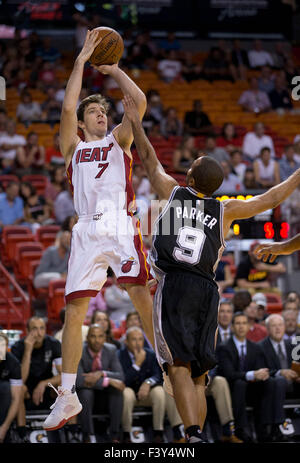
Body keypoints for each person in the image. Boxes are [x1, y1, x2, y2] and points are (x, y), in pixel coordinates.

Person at [122, 93, 300, 443]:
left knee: (178, 368)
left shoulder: (171, 191)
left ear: (189, 175)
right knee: (200, 375)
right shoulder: (225, 210)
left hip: (175, 285)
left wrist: (136, 124)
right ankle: (198, 435)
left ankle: (191, 435)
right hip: (208, 290)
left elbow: (147, 157)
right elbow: (271, 198)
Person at [42, 30, 155, 432]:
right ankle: (68, 395)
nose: (101, 114)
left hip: (119, 225)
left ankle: (169, 365)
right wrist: (79, 62)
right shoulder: (72, 148)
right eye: (95, 112)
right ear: (83, 120)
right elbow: (68, 105)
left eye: (104, 111)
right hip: (87, 231)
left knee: (140, 294)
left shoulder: (118, 141)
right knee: (75, 312)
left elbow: (138, 104)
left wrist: (114, 69)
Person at [217, 312, 277, 442]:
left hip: (251, 388)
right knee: (239, 383)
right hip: (231, 388)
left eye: (244, 323)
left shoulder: (254, 347)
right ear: (232, 327)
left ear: (248, 325)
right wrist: (251, 374)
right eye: (238, 323)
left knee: (269, 382)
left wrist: (262, 374)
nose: (241, 326)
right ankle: (241, 429)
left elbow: (259, 369)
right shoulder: (224, 348)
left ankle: (266, 428)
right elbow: (229, 374)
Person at [11, 317, 62, 442]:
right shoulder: (18, 347)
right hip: (26, 391)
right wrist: (28, 350)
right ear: (27, 330)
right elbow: (20, 379)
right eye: (34, 329)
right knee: (19, 389)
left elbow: (64, 374)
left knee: (64, 386)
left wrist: (44, 383)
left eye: (42, 328)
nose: (39, 333)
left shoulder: (54, 344)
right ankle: (22, 434)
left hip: (46, 388)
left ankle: (69, 430)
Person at [76, 324, 125, 443]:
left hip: (104, 395)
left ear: (105, 338)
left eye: (100, 336)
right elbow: (79, 380)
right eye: (93, 336)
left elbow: (120, 376)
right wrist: (107, 380)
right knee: (85, 393)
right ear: (87, 338)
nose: (97, 340)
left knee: (117, 391)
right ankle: (88, 436)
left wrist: (101, 373)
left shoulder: (111, 349)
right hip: (86, 394)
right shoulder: (78, 351)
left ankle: (114, 435)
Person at [118, 327, 165, 443]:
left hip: (146, 394)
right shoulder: (119, 355)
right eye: (134, 339)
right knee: (126, 393)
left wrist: (147, 382)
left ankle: (158, 432)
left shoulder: (150, 354)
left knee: (159, 391)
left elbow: (158, 376)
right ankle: (126, 433)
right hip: (129, 394)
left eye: (140, 339)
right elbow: (123, 380)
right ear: (126, 342)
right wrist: (137, 364)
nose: (138, 343)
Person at [0, 332, 22, 443]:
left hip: (5, 401)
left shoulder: (13, 362)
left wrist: (4, 427)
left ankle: (4, 432)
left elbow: (16, 399)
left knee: (6, 388)